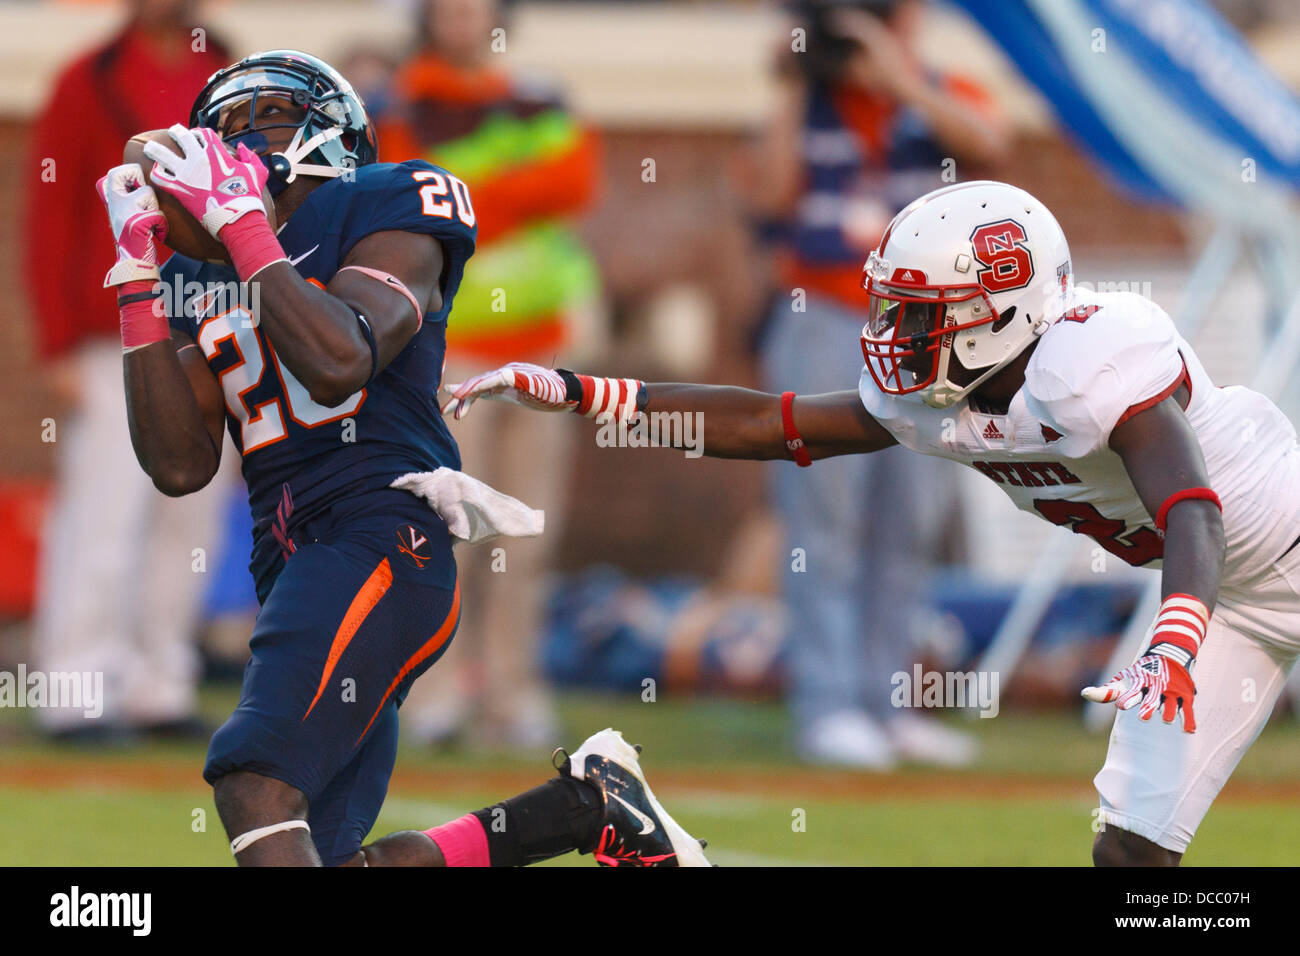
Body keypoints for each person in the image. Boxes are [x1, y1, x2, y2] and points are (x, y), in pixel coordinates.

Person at [442, 179, 1300, 866]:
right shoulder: (934, 399)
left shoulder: (1089, 362)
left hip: (1258, 561)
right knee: (1131, 851)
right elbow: (771, 426)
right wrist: (588, 394)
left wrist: (1174, 638)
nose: (892, 332)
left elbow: (1190, 502)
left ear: (998, 308)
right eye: (893, 304)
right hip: (1225, 603)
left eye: (919, 310)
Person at [95, 49, 706, 866]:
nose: (234, 140)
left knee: (253, 779)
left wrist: (246, 231)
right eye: (222, 126)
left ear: (330, 133)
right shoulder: (201, 268)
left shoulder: (386, 202)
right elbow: (178, 464)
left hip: (379, 531)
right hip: (290, 558)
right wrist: (138, 281)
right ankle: (585, 809)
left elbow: (343, 356)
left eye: (261, 118)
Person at [747, 0, 1006, 767]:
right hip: (824, 315)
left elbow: (992, 145)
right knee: (825, 521)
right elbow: (766, 195)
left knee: (908, 522)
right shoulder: (806, 101)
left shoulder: (941, 90)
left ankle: (888, 704)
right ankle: (828, 707)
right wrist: (798, 79)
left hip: (927, 330)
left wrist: (900, 79)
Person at [375, 0, 603, 750]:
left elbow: (572, 180)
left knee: (529, 530)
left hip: (540, 349)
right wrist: (504, 190)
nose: (465, 16)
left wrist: (473, 197)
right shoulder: (400, 101)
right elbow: (409, 202)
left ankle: (512, 695)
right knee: (447, 528)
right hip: (447, 348)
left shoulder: (536, 95)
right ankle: (436, 692)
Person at [23, 0, 234, 741]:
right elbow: (49, 214)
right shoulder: (89, 79)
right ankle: (76, 693)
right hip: (114, 327)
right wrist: (55, 340)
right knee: (104, 514)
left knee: (191, 511)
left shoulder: (227, 70)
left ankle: (158, 684)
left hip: (215, 326)